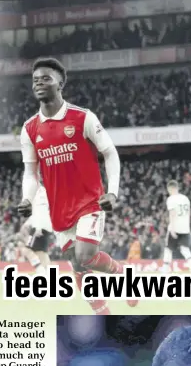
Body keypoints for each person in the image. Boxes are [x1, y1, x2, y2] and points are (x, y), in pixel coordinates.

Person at [17, 57, 136, 315]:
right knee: (77, 265)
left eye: (46, 78)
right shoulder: (29, 129)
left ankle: (124, 276)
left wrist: (112, 192)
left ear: (60, 83)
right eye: (35, 79)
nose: (39, 83)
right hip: (58, 209)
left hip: (89, 202)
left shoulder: (82, 118)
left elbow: (110, 153)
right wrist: (27, 198)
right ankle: (102, 312)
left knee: (84, 256)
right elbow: (30, 173)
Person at [163, 180, 191, 272]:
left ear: (169, 189)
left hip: (175, 227)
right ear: (177, 187)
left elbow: (172, 214)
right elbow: (188, 214)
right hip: (185, 228)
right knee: (185, 249)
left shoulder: (171, 199)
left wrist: (173, 229)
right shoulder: (185, 198)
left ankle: (164, 272)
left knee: (168, 249)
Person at [18, 184, 53, 274]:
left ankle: (40, 271)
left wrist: (33, 226)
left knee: (26, 249)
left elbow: (39, 211)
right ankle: (49, 277)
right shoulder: (47, 193)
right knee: (41, 253)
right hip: (47, 227)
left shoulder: (38, 193)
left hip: (38, 226)